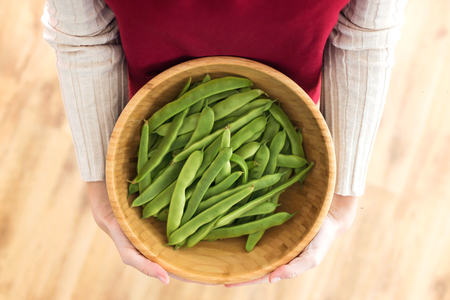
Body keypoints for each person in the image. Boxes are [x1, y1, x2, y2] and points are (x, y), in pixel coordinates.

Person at [41, 0, 407, 287]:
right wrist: (102, 188)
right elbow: (84, 34)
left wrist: (342, 200)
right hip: (157, 102)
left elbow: (365, 34)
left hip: (286, 100)